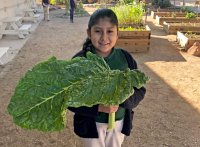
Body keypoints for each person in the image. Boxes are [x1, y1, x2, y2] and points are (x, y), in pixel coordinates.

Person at [68, 8, 146, 147]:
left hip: (119, 122)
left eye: (110, 31)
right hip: (90, 126)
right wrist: (97, 108)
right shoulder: (79, 61)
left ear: (117, 34)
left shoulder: (125, 58)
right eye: (98, 31)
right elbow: (68, 99)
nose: (104, 38)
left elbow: (140, 90)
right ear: (89, 33)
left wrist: (122, 100)